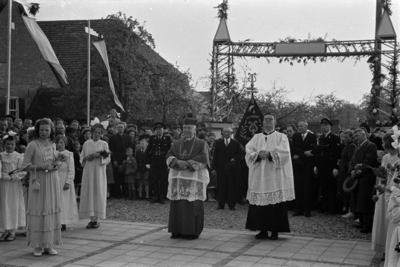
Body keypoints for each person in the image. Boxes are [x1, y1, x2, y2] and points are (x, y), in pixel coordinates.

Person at [245, 113, 295, 240]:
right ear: (262, 122)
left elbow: (285, 153)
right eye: (265, 119)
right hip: (259, 175)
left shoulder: (281, 136)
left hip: (274, 175)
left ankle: (275, 231)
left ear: (275, 121)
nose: (267, 121)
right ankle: (262, 230)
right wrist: (257, 155)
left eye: (270, 119)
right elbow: (248, 150)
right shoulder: (256, 137)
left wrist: (269, 154)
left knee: (275, 203)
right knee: (260, 202)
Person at [22, 118, 62, 256]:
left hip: (52, 181)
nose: (44, 132)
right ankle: (37, 245)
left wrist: (57, 165)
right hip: (38, 182)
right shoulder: (32, 145)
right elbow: (24, 166)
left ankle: (48, 244)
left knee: (49, 210)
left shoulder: (52, 144)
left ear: (51, 131)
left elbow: (53, 160)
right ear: (37, 130)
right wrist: (40, 167)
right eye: (42, 130)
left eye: (47, 130)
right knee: (39, 210)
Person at [166, 115, 209, 240]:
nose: (186, 130)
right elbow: (169, 154)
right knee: (177, 203)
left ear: (195, 129)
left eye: (189, 128)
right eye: (184, 127)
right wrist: (175, 161)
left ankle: (191, 231)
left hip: (194, 178)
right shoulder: (176, 143)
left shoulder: (201, 143)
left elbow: (204, 158)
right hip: (178, 178)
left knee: (192, 203)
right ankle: (176, 229)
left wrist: (187, 164)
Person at [79, 124, 111, 229]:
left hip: (99, 171)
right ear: (91, 133)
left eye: (99, 132)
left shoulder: (104, 144)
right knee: (89, 193)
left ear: (101, 134)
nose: (97, 134)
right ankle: (91, 219)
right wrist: (85, 158)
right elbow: (81, 156)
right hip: (88, 171)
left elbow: (108, 158)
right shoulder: (86, 143)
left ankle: (97, 219)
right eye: (95, 132)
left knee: (98, 192)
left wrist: (100, 156)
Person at [371, 133, 398, 253]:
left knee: (390, 218)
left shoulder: (398, 157)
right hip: (383, 188)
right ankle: (382, 247)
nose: (382, 144)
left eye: (384, 142)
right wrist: (379, 175)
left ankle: (391, 248)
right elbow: (383, 173)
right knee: (382, 217)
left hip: (392, 190)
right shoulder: (385, 157)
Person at [348, 128, 378, 233]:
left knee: (365, 201)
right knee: (357, 200)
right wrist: (351, 170)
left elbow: (368, 161)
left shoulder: (370, 146)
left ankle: (367, 224)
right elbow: (352, 161)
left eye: (357, 136)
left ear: (364, 135)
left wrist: (358, 171)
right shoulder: (357, 147)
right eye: (354, 136)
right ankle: (361, 221)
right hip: (357, 177)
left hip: (366, 178)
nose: (355, 138)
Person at [0, 132, 27, 242]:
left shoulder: (18, 156)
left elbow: (23, 171)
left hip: (14, 185)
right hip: (3, 184)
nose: (10, 146)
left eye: (12, 144)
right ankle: (5, 229)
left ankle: (12, 231)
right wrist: (2, 176)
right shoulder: (1, 156)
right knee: (4, 206)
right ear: (4, 144)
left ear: (15, 144)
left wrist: (12, 178)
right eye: (8, 144)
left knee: (13, 205)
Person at [212, 127, 243, 210]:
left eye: (228, 132)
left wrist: (234, 159)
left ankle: (231, 205)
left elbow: (240, 154)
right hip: (221, 168)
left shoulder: (235, 143)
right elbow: (215, 156)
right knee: (221, 187)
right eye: (225, 132)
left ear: (231, 133)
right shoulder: (218, 142)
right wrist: (213, 168)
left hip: (232, 169)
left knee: (231, 187)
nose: (226, 133)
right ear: (222, 133)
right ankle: (220, 205)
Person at [315, 118, 341, 213]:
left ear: (330, 126)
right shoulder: (320, 138)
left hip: (330, 166)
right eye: (322, 125)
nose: (324, 127)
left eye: (326, 125)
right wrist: (316, 166)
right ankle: (324, 206)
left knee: (331, 187)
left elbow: (337, 153)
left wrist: (335, 167)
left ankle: (332, 207)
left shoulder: (334, 138)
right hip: (322, 166)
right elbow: (318, 153)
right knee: (323, 186)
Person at [292, 120, 317, 217]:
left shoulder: (312, 136)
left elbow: (313, 150)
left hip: (307, 165)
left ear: (306, 126)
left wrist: (300, 154)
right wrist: (303, 153)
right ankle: (299, 210)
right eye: (298, 126)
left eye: (301, 126)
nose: (299, 127)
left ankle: (307, 210)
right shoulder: (295, 136)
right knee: (298, 187)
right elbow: (293, 147)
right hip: (298, 165)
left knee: (307, 187)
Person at [55, 135, 78, 231]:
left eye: (62, 143)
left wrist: (68, 181)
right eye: (58, 142)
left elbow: (71, 169)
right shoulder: (54, 153)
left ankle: (63, 221)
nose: (59, 145)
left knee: (64, 200)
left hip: (64, 178)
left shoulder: (68, 154)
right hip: (55, 178)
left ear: (65, 144)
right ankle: (55, 221)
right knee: (56, 200)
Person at [146, 122, 172, 204]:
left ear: (163, 130)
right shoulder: (152, 138)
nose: (158, 131)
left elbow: (170, 151)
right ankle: (155, 195)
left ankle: (162, 196)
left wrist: (169, 162)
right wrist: (148, 162)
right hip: (154, 162)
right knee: (154, 180)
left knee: (164, 180)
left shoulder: (167, 138)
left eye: (160, 129)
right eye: (157, 129)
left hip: (163, 162)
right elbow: (148, 151)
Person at [109, 122, 132, 198]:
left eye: (121, 127)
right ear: (116, 128)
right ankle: (117, 193)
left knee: (124, 177)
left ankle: (125, 193)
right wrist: (114, 160)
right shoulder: (112, 138)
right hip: (116, 159)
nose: (120, 129)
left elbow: (129, 149)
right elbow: (111, 150)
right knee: (116, 177)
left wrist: (125, 160)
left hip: (124, 159)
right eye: (118, 127)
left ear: (124, 128)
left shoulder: (128, 138)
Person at [339, 130, 357, 218]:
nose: (344, 139)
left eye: (347, 137)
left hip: (347, 171)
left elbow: (350, 159)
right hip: (343, 170)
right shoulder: (347, 146)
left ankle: (349, 209)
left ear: (351, 137)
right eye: (344, 137)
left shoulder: (351, 146)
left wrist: (344, 165)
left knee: (348, 191)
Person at [136, 134, 150, 200]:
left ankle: (147, 195)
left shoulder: (148, 152)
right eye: (141, 144)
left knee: (146, 183)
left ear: (146, 144)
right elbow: (137, 160)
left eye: (143, 144)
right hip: (139, 169)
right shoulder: (138, 152)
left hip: (146, 169)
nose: (142, 145)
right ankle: (140, 195)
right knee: (140, 183)